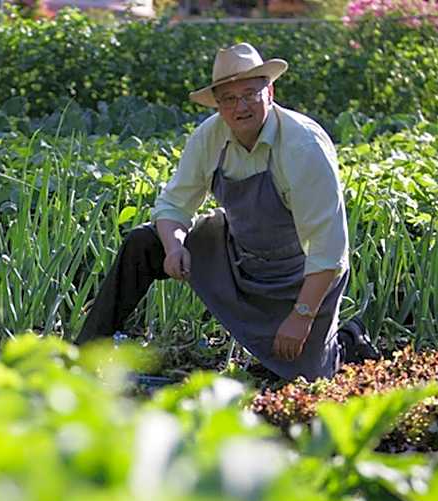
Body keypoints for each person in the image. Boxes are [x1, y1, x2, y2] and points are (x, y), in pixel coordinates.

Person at [76, 43, 374, 381]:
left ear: (270, 91)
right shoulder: (210, 135)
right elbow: (173, 204)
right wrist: (174, 247)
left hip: (299, 275)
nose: (240, 107)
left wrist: (302, 316)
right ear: (217, 104)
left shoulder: (303, 146)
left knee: (304, 378)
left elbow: (328, 249)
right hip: (236, 254)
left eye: (250, 94)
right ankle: (85, 355)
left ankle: (347, 340)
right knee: (143, 243)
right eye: (228, 99)